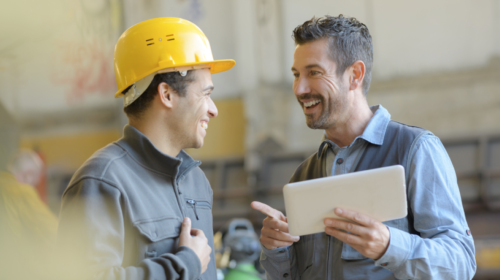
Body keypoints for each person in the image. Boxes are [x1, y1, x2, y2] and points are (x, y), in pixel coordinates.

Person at [251, 15, 476, 279]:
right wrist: (276, 249)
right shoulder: (304, 175)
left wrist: (389, 246)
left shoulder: (415, 150)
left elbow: (461, 264)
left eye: (314, 72)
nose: (300, 88)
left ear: (355, 75)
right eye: (296, 75)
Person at [55, 18, 235, 280]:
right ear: (167, 95)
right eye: (205, 94)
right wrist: (184, 265)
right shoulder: (102, 181)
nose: (213, 109)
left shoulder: (196, 181)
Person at [0, 103, 58, 280]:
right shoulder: (21, 191)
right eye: (33, 181)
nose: (32, 186)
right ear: (27, 174)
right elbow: (54, 233)